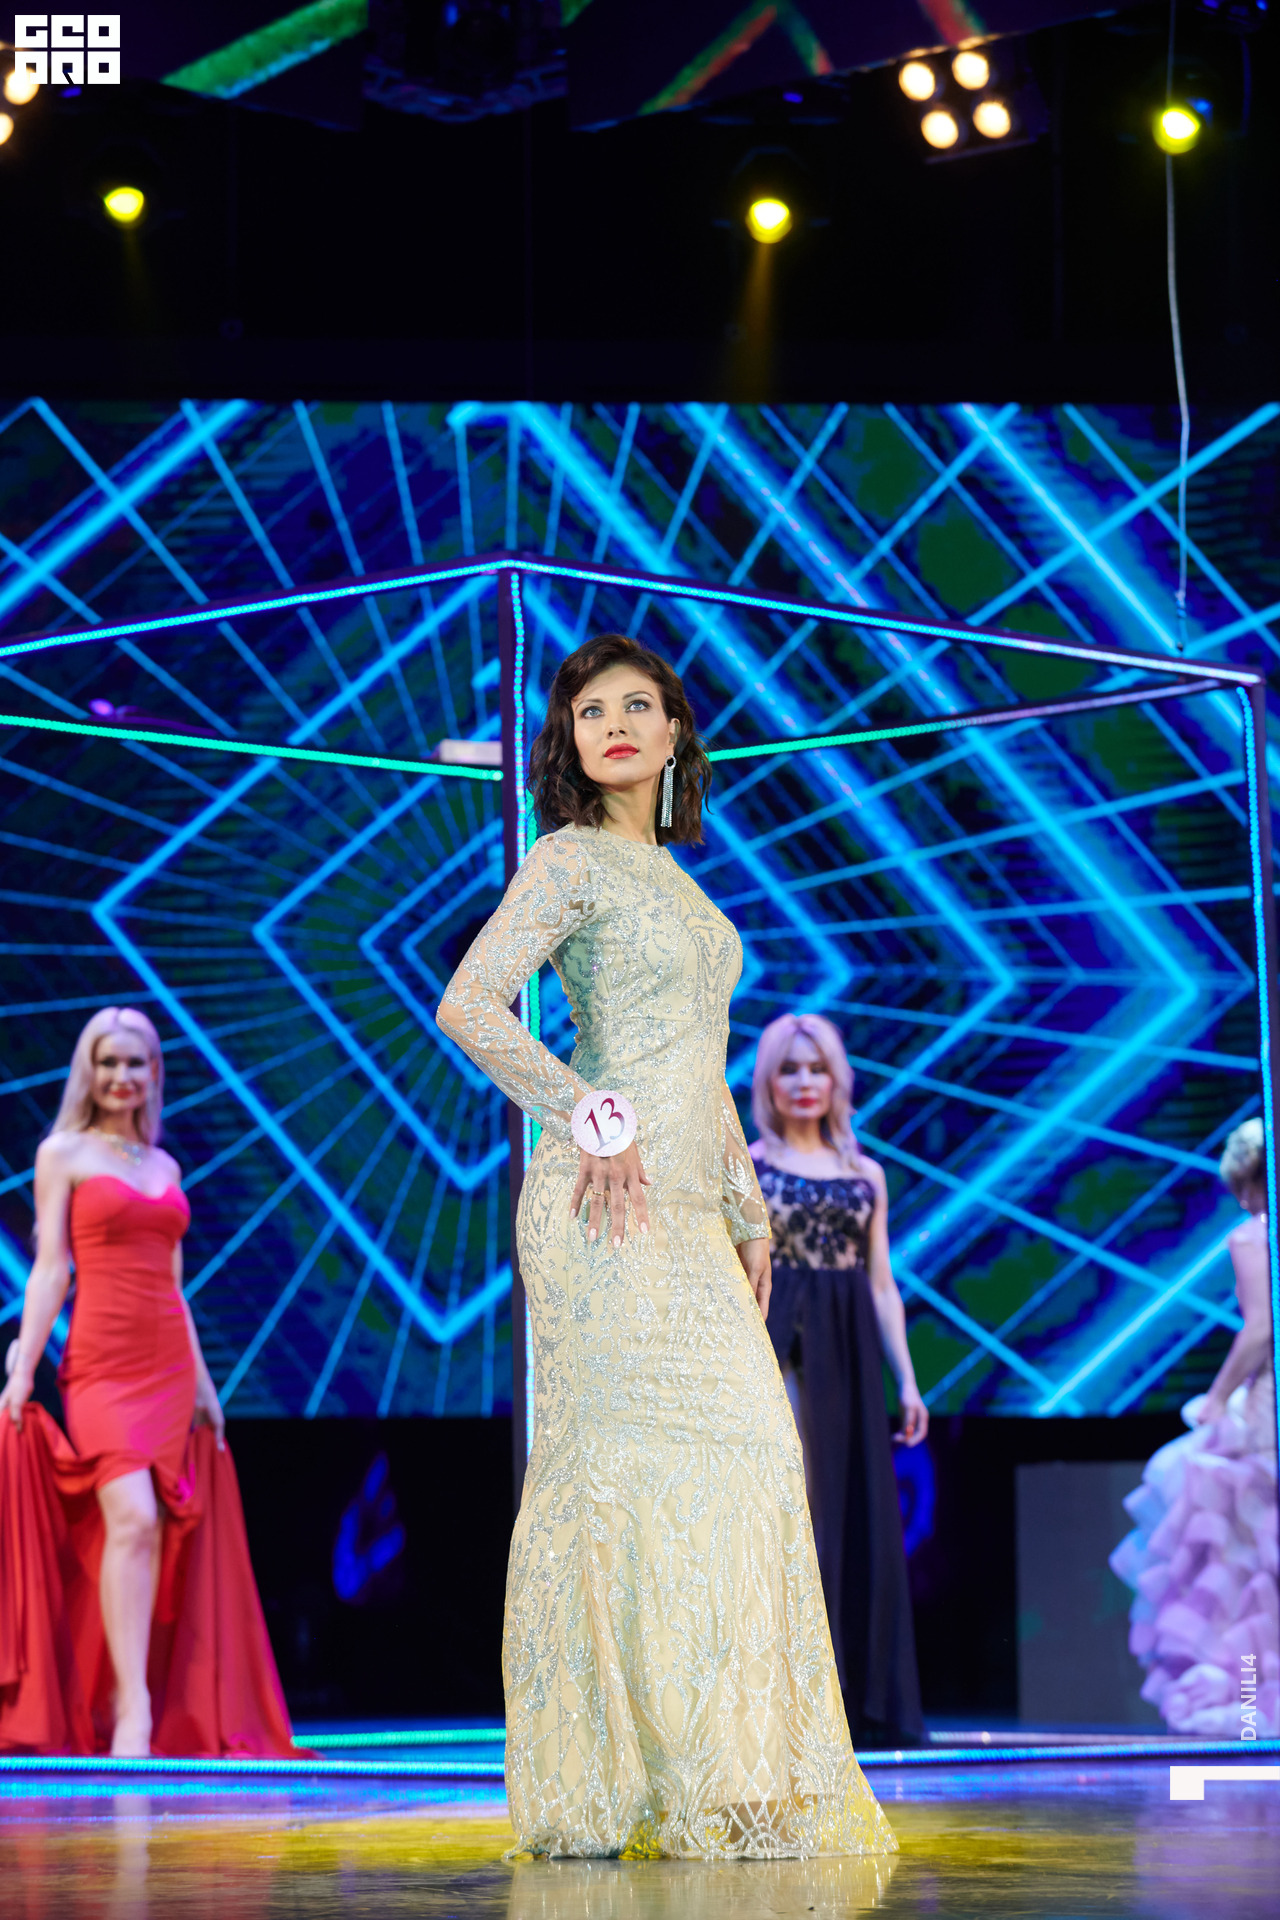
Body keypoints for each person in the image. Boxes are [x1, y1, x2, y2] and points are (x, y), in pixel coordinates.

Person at [436, 633, 896, 1860]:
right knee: (615, 1476)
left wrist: (746, 1210)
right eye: (590, 712)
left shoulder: (684, 887)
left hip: (690, 1212)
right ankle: (596, 1788)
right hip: (601, 1205)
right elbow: (468, 1003)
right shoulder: (565, 859)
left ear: (676, 733)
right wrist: (582, 1108)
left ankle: (724, 1773)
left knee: (751, 1461)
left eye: (637, 706)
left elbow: (698, 1072)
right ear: (571, 740)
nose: (615, 726)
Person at [0, 1007, 297, 1759]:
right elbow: (51, 1268)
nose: (121, 1076)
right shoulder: (62, 1152)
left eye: (135, 1063)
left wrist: (204, 1387)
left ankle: (127, 1699)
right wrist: (23, 1364)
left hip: (165, 1363)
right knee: (131, 1516)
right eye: (107, 1062)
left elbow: (174, 1287)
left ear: (154, 1072)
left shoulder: (164, 1167)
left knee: (151, 1528)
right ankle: (131, 1711)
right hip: (100, 1362)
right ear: (87, 1070)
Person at [749, 1013, 927, 1750]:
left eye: (817, 1068)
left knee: (850, 1512)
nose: (804, 1082)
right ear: (768, 1082)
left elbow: (882, 1283)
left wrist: (907, 1382)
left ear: (836, 1080)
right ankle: (786, 1704)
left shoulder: (865, 1174)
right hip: (779, 1344)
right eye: (790, 1069)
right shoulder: (750, 1167)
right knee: (798, 1509)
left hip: (848, 1348)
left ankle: (849, 1699)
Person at [1111, 1117, 1278, 1736]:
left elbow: (1260, 1329)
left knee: (1243, 1566)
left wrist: (1216, 1399)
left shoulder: (1253, 1236)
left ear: (1247, 1182)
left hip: (1265, 1415)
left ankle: (1250, 1715)